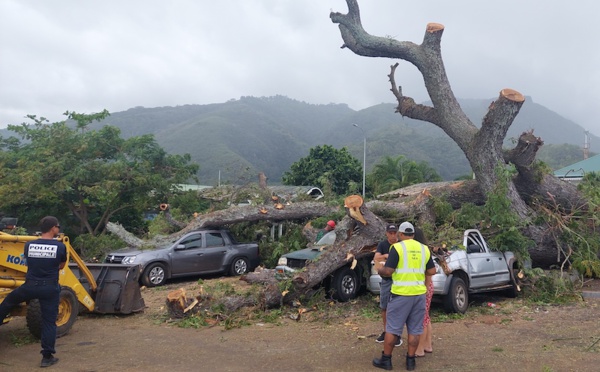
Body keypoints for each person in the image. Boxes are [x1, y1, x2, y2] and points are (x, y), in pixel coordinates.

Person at [0, 216, 67, 368]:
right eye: (58, 227)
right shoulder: (60, 247)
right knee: (49, 322)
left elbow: (28, 262)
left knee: (7, 303)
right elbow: (61, 266)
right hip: (49, 288)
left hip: (30, 286)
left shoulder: (29, 245)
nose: (58, 229)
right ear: (53, 228)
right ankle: (47, 357)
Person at [372, 222, 436, 371]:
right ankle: (410, 361)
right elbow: (432, 271)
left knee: (393, 328)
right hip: (419, 294)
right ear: (413, 234)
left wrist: (379, 269)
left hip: (401, 294)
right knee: (414, 330)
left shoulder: (397, 248)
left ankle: (386, 360)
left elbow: (388, 271)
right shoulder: (424, 249)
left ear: (400, 234)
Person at [374, 224, 402, 347]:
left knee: (398, 308)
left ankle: (397, 334)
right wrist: (386, 256)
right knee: (384, 306)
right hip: (386, 279)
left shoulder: (401, 244)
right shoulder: (383, 245)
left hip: (399, 279)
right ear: (386, 233)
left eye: (394, 232)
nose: (392, 235)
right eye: (390, 233)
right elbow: (376, 257)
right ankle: (386, 332)